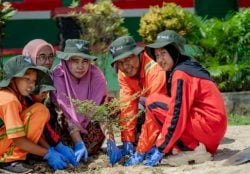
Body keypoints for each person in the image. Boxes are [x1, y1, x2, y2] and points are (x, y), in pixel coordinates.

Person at [126, 30, 227, 166]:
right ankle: (192, 147)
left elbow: (177, 114)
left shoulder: (181, 74)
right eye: (157, 55)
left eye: (163, 53)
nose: (160, 60)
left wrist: (161, 148)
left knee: (153, 102)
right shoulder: (186, 67)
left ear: (174, 52)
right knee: (154, 102)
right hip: (212, 130)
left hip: (208, 128)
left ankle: (193, 148)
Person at [0, 55, 70, 174]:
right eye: (27, 79)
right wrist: (47, 154)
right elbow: (18, 139)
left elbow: (33, 128)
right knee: (40, 110)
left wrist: (49, 150)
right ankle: (8, 160)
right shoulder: (9, 99)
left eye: (33, 81)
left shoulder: (19, 97)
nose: (32, 85)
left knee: (39, 111)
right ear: (12, 79)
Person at [108, 35, 166, 165]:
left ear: (138, 54)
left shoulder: (155, 70)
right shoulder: (123, 73)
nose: (125, 66)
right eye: (120, 62)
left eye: (128, 59)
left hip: (170, 109)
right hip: (149, 105)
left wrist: (141, 150)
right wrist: (127, 141)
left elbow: (156, 111)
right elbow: (127, 106)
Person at [50, 39, 109, 165]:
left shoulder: (96, 76)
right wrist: (78, 142)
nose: (80, 66)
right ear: (66, 61)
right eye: (75, 61)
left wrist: (111, 141)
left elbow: (100, 111)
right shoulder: (57, 76)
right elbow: (63, 112)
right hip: (65, 139)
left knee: (110, 104)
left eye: (85, 61)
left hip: (91, 138)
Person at [22, 39, 77, 167]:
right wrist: (49, 151)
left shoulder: (51, 77)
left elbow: (43, 125)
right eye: (42, 57)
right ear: (30, 56)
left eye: (50, 56)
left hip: (40, 135)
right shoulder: (23, 85)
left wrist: (55, 147)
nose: (47, 61)